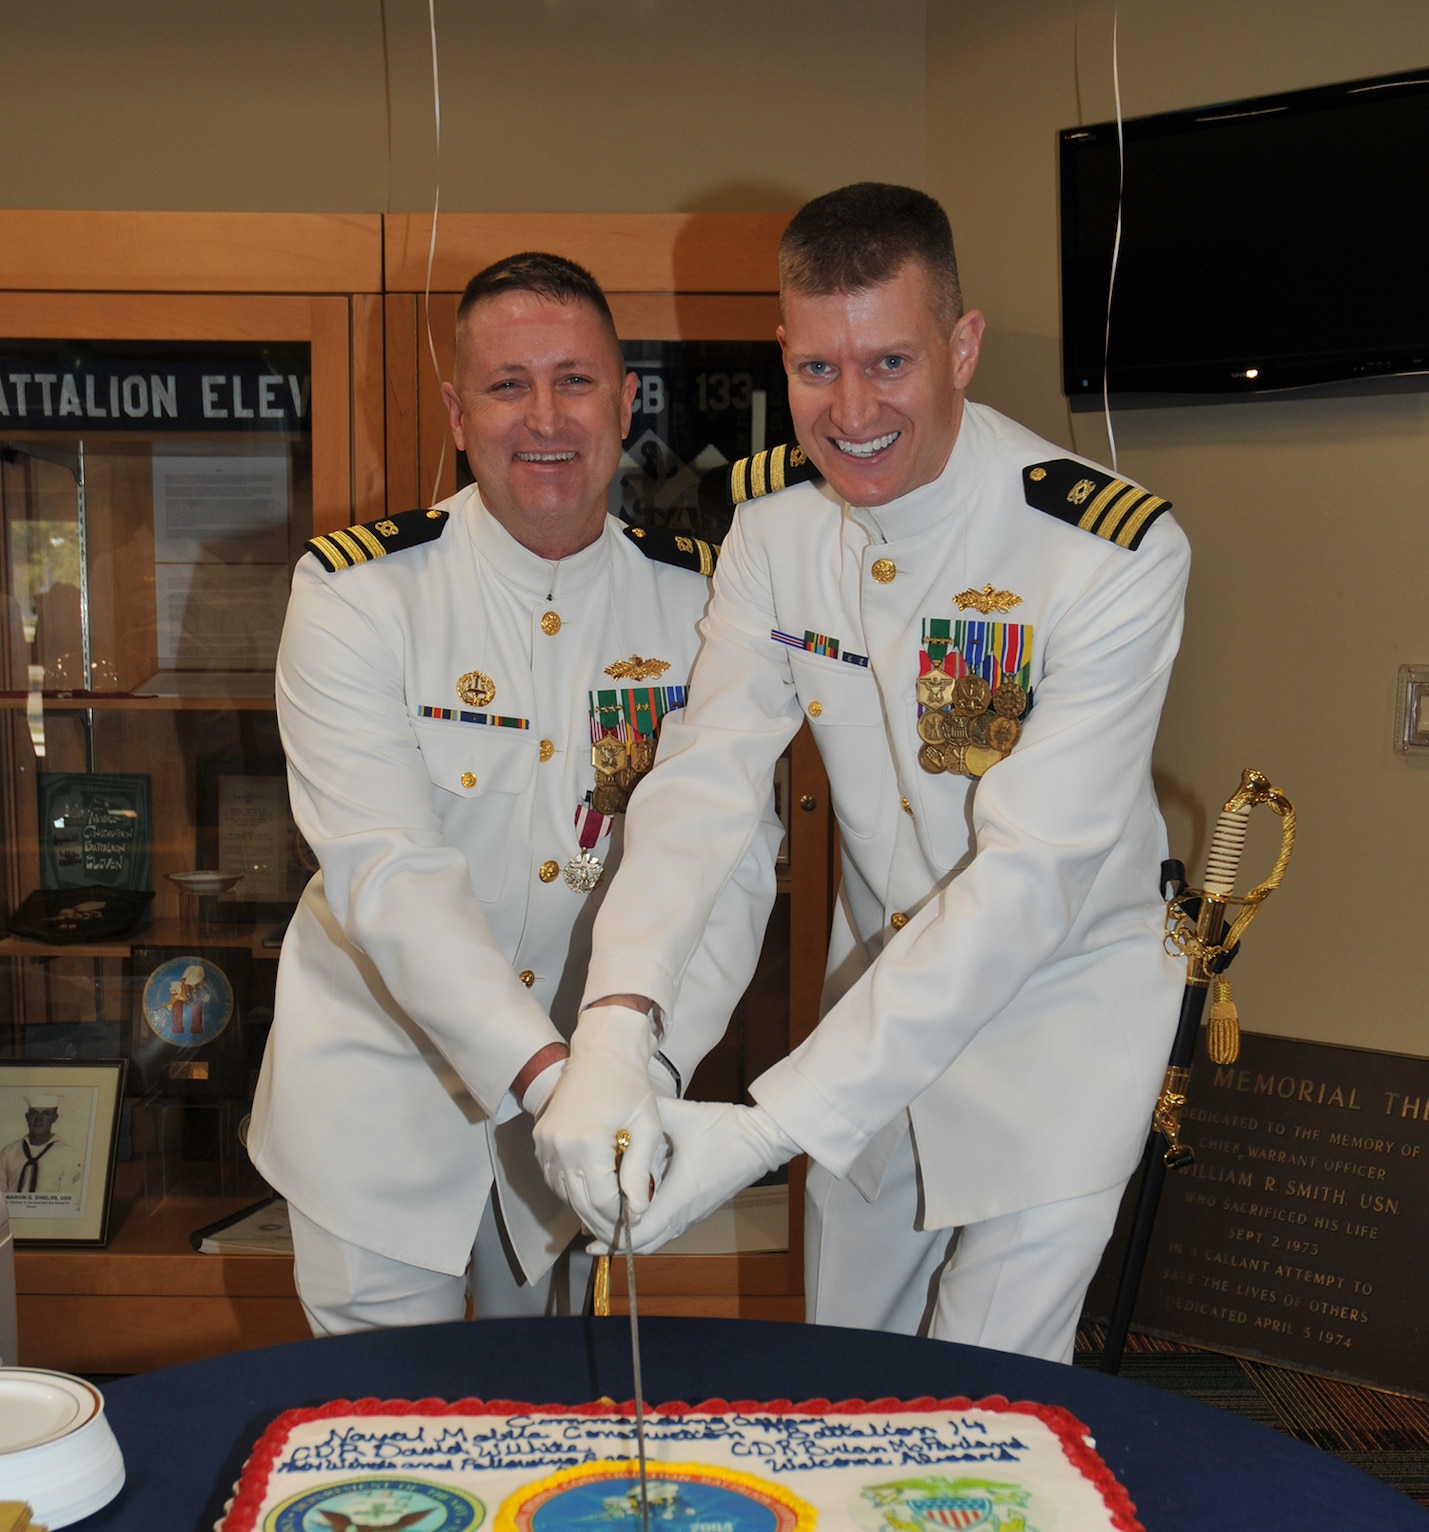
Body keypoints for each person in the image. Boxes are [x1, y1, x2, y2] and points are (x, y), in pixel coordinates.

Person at [535, 183, 1190, 1365]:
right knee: (844, 1372)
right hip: (874, 1002)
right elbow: (705, 794)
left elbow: (1028, 881)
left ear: (963, 344)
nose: (851, 409)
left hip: (1055, 1023)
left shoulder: (1108, 552)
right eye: (817, 369)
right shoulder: (775, 529)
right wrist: (622, 1028)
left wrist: (768, 1122)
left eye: (889, 360)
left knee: (977, 1405)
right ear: (781, 356)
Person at [249, 253, 778, 1334]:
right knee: (389, 1448)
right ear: (457, 409)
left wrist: (640, 1067)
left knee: (544, 1437)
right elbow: (387, 872)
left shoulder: (706, 607)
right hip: (378, 1103)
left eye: (576, 380)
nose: (545, 417)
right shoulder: (359, 597)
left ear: (627, 400)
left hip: (588, 1090)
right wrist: (552, 1080)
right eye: (507, 385)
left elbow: (728, 869)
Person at [0, 1096, 84, 1197]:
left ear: (54, 1118)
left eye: (46, 1113)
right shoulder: (8, 1152)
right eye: (34, 1113)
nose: (38, 1119)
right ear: (27, 1117)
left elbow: (69, 1199)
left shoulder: (67, 1155)